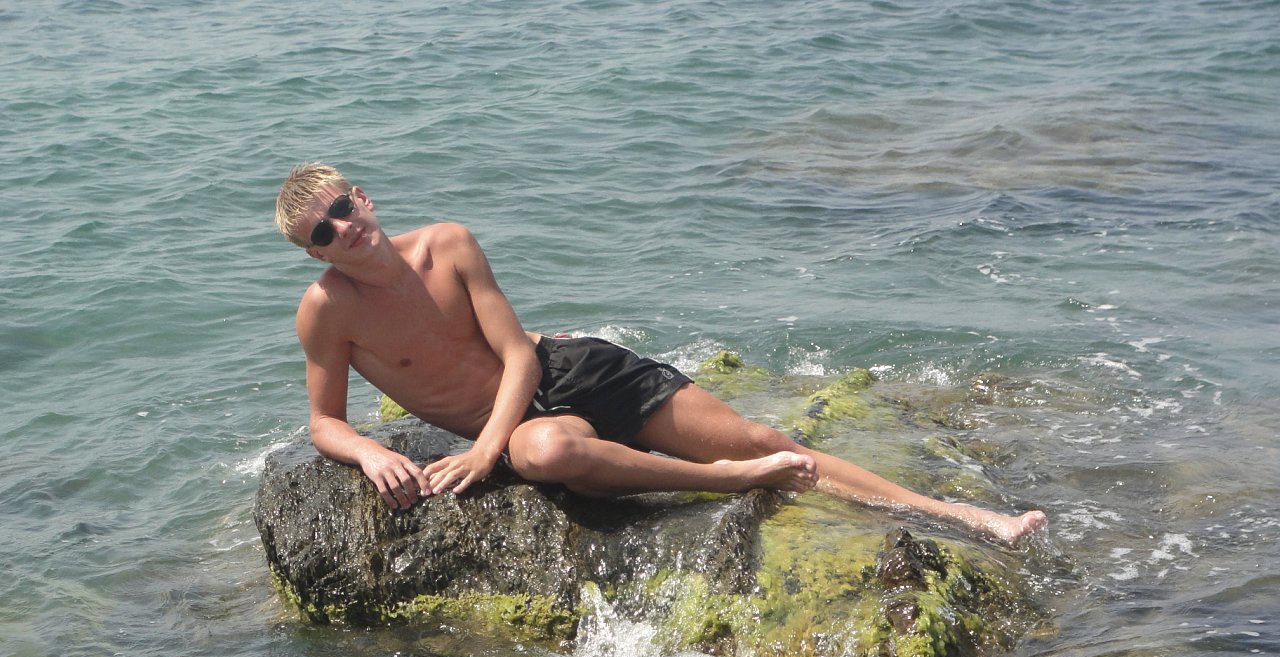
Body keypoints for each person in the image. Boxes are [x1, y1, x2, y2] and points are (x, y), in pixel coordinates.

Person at [274, 163, 1048, 544]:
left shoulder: (448, 245)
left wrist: (478, 452)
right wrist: (371, 452)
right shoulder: (327, 312)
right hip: (521, 429)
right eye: (322, 232)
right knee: (544, 452)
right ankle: (728, 482)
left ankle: (966, 516)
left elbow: (519, 357)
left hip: (566, 369)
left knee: (761, 438)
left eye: (342, 207)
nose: (343, 228)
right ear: (316, 253)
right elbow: (323, 422)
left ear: (362, 197)